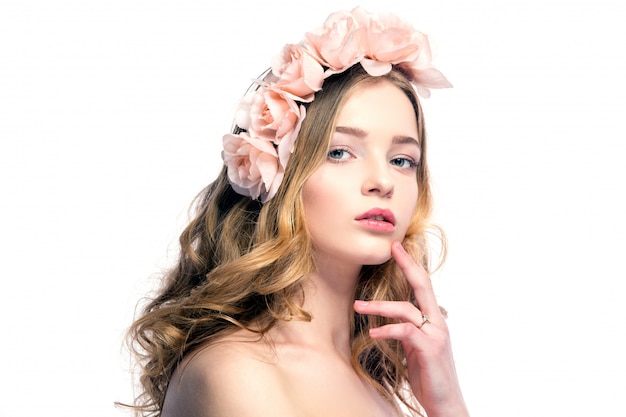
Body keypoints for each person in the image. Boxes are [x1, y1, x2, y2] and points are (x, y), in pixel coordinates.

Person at [124, 6, 469, 417]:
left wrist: (447, 403)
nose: (383, 181)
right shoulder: (239, 372)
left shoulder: (371, 379)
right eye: (340, 152)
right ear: (280, 173)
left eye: (402, 160)